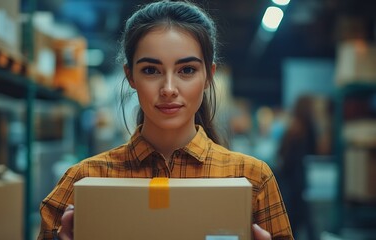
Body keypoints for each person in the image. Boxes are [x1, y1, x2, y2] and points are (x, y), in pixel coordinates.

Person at [38, 1, 293, 239]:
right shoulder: (83, 182)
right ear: (130, 76)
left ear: (208, 77)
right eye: (151, 70)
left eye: (187, 70)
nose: (169, 88)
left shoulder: (253, 180)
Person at [277, 95, 317, 239]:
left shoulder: (291, 128)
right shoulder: (307, 128)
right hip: (298, 178)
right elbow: (314, 148)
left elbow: (280, 153)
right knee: (303, 217)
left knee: (293, 217)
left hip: (287, 179)